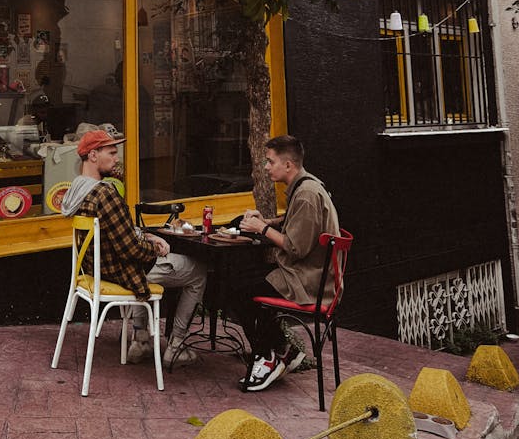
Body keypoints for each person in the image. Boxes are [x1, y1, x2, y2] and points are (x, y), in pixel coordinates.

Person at [60, 128, 206, 367]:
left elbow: (118, 233)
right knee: (197, 270)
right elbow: (131, 252)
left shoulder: (77, 191)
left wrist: (146, 236)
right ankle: (176, 347)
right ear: (93, 155)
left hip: (97, 271)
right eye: (112, 153)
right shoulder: (106, 193)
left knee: (144, 260)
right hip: (122, 272)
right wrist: (156, 249)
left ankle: (140, 340)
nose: (117, 159)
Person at [229, 134, 340, 392]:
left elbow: (295, 247)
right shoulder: (307, 187)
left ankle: (267, 356)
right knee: (244, 281)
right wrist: (269, 222)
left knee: (239, 291)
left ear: (288, 165)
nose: (266, 167)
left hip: (307, 281)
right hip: (306, 274)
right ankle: (282, 351)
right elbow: (300, 224)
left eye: (270, 162)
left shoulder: (306, 195)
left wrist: (260, 228)